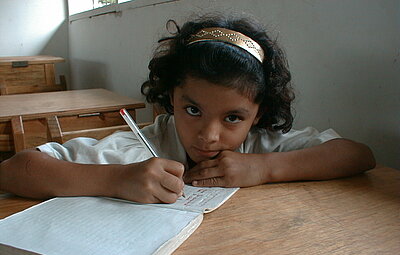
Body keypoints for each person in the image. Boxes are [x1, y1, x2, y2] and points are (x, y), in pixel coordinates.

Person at [0, 14, 375, 204]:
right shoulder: (141, 148)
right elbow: (15, 170)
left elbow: (358, 154)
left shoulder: (261, 146)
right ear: (171, 99)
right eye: (193, 110)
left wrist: (264, 168)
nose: (209, 136)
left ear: (257, 115)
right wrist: (116, 179)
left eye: (233, 118)